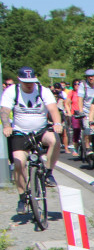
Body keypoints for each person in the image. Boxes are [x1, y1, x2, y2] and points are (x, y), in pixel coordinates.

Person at [1, 67, 63, 211]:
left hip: (40, 130)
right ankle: (22, 197)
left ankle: (48, 172)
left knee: (55, 140)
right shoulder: (12, 91)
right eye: (25, 82)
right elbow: (4, 111)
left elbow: (53, 109)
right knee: (18, 163)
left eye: (31, 81)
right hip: (20, 132)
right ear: (19, 80)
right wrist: (6, 126)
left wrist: (57, 123)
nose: (29, 85)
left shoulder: (43, 91)